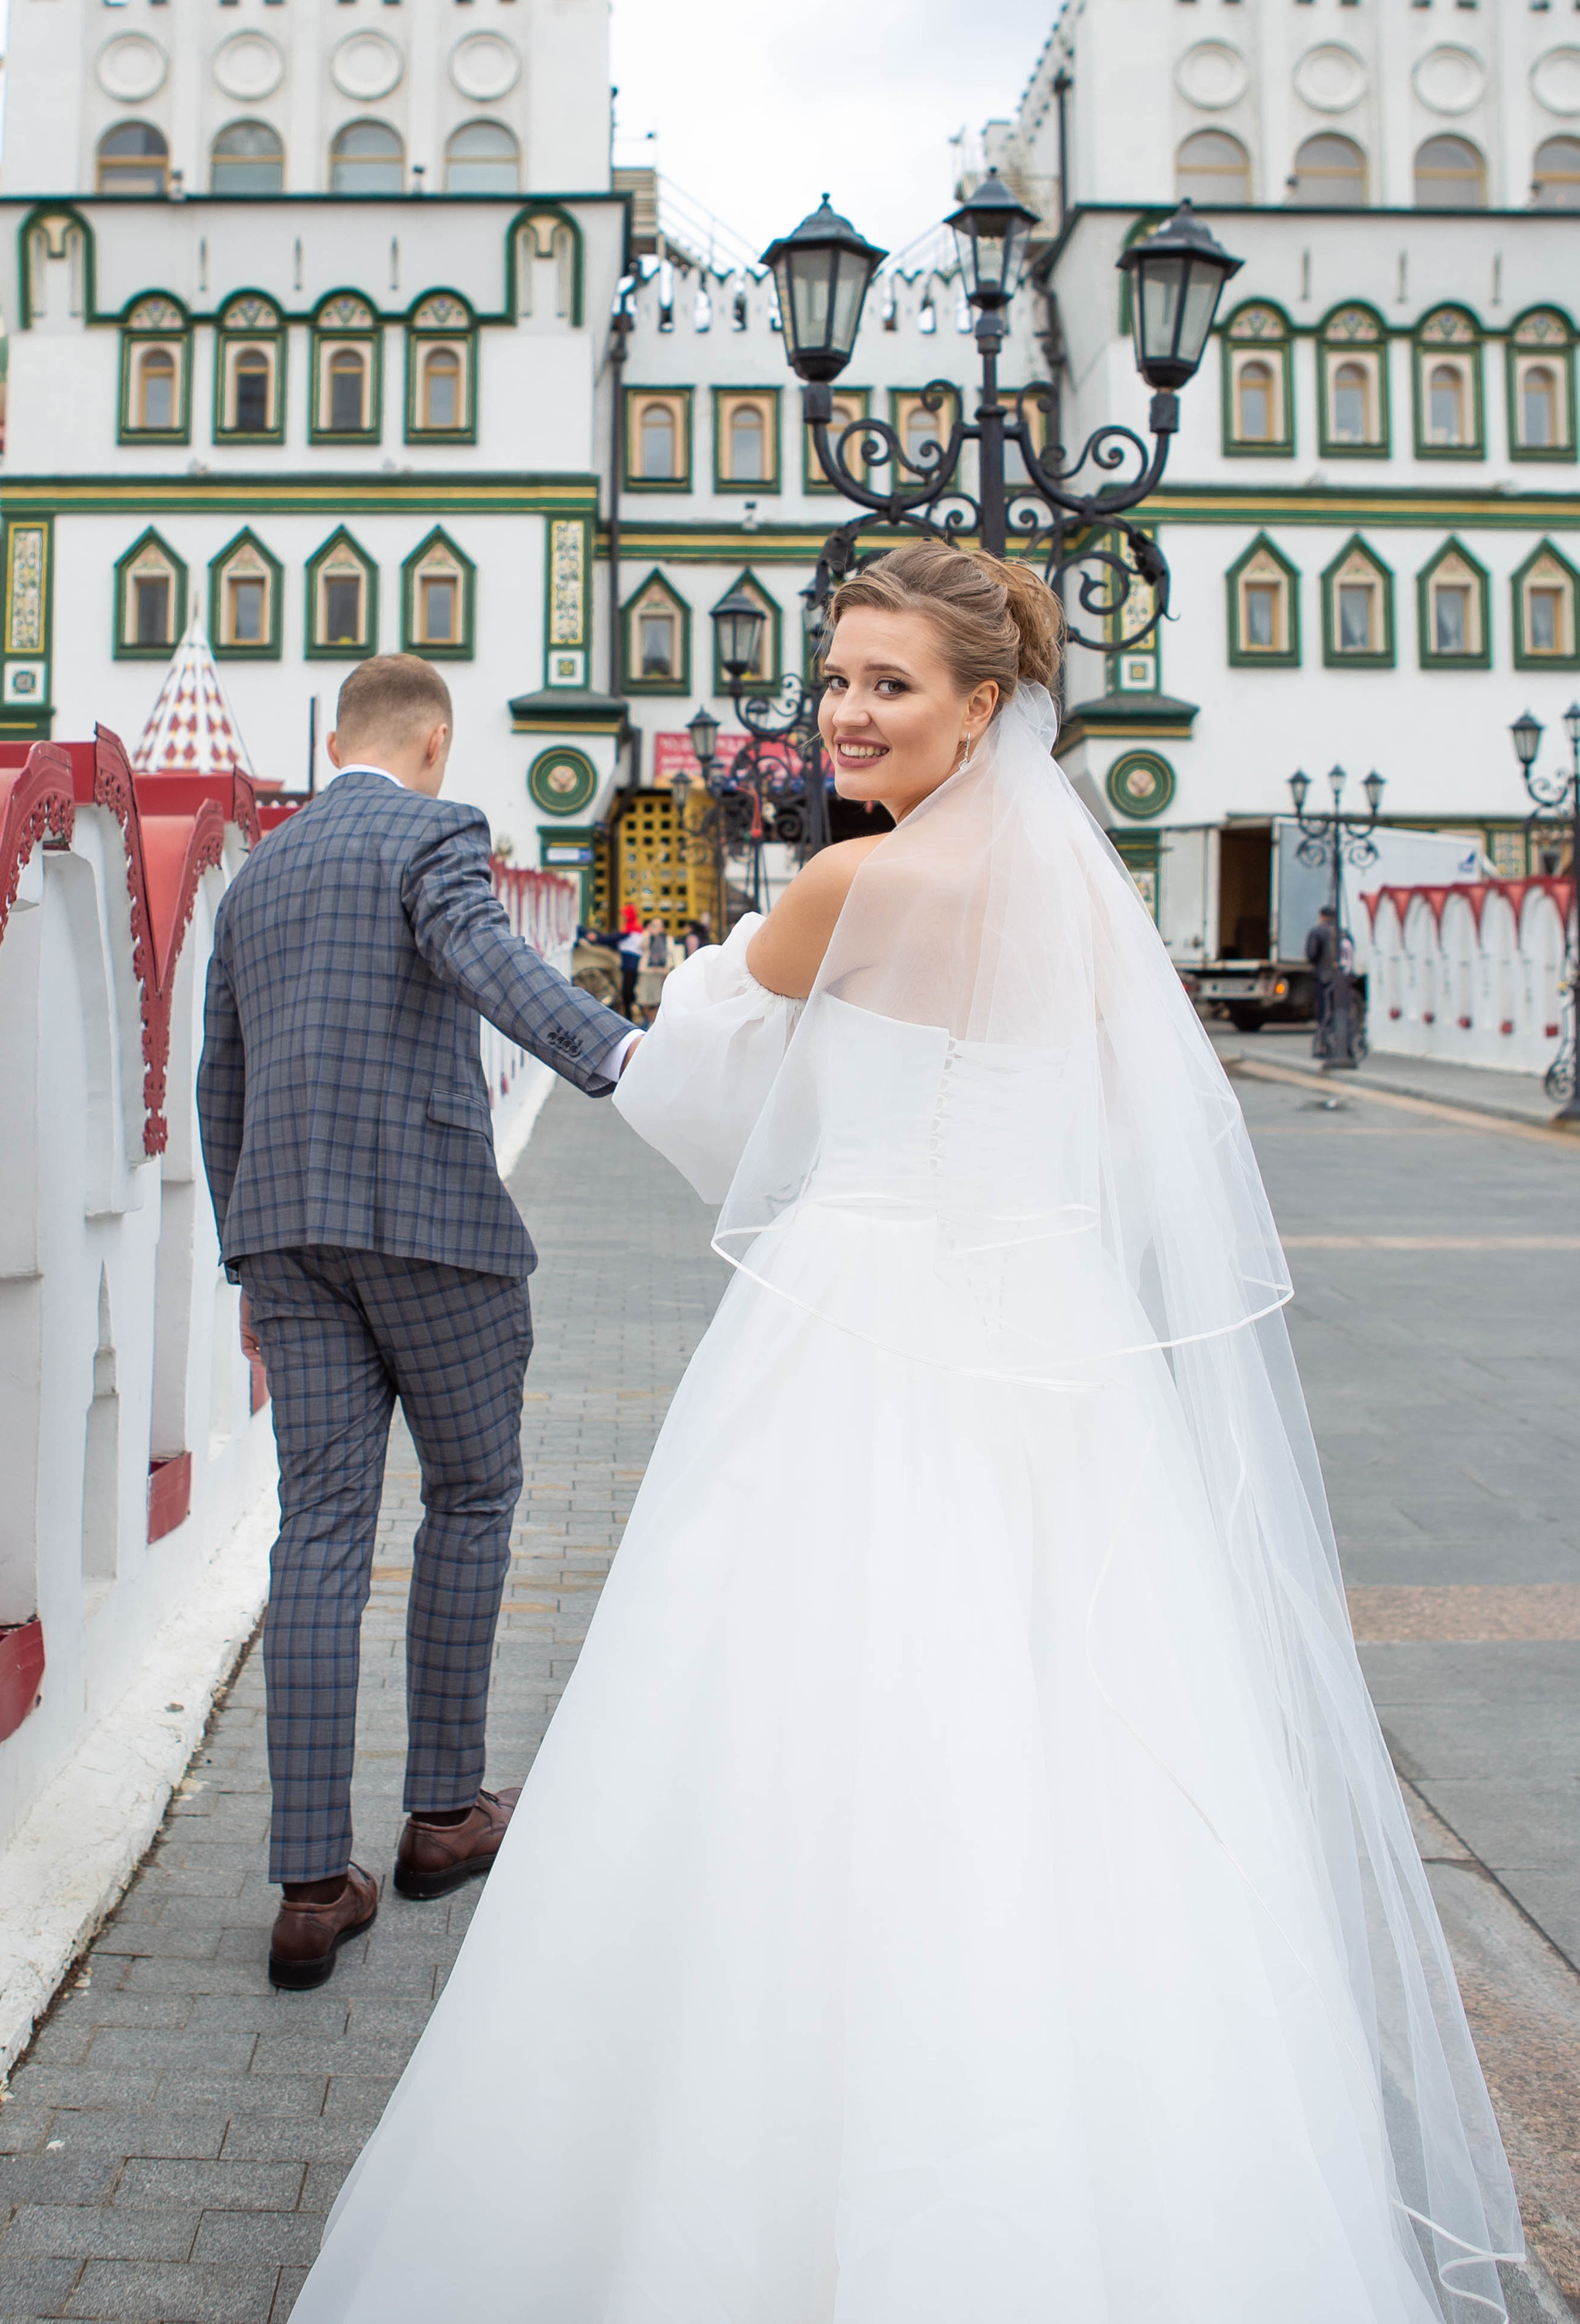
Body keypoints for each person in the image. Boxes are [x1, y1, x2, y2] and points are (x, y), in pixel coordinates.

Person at [285, 545, 1520, 2322]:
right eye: (834, 679)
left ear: (981, 706)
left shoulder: (847, 888)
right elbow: (1112, 1132)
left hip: (850, 1339)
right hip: (1055, 1350)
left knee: (798, 1739)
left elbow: (700, 1108)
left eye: (886, 685)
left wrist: (717, 1014)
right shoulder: (1091, 904)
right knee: (1074, 1750)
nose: (844, 712)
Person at [197, 654, 636, 1993]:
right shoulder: (434, 830)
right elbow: (479, 950)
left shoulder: (257, 873)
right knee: (471, 1497)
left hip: (287, 1234)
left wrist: (249, 1267)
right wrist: (618, 1054)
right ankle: (446, 1815)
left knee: (320, 1532)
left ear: (337, 739)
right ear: (433, 743)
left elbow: (224, 1076)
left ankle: (310, 1885)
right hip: (432, 1226)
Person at [1306, 900, 1339, 1056]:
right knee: (1336, 1011)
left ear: (1321, 917)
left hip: (1322, 977)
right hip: (1339, 979)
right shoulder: (1342, 932)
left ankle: (1324, 1046)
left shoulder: (1317, 932)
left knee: (1323, 1012)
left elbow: (1311, 954)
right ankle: (1337, 1044)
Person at [633, 920, 672, 1023]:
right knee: (644, 999)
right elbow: (640, 946)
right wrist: (648, 934)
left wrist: (668, 969)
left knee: (657, 1000)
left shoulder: (667, 938)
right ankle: (649, 1021)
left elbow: (670, 953)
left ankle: (654, 1023)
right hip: (646, 971)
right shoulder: (647, 936)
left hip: (660, 972)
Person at [616, 902, 643, 1019]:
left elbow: (614, 938)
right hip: (629, 965)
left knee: (628, 992)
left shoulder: (631, 929)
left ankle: (630, 1017)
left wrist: (596, 937)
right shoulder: (634, 928)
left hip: (631, 965)